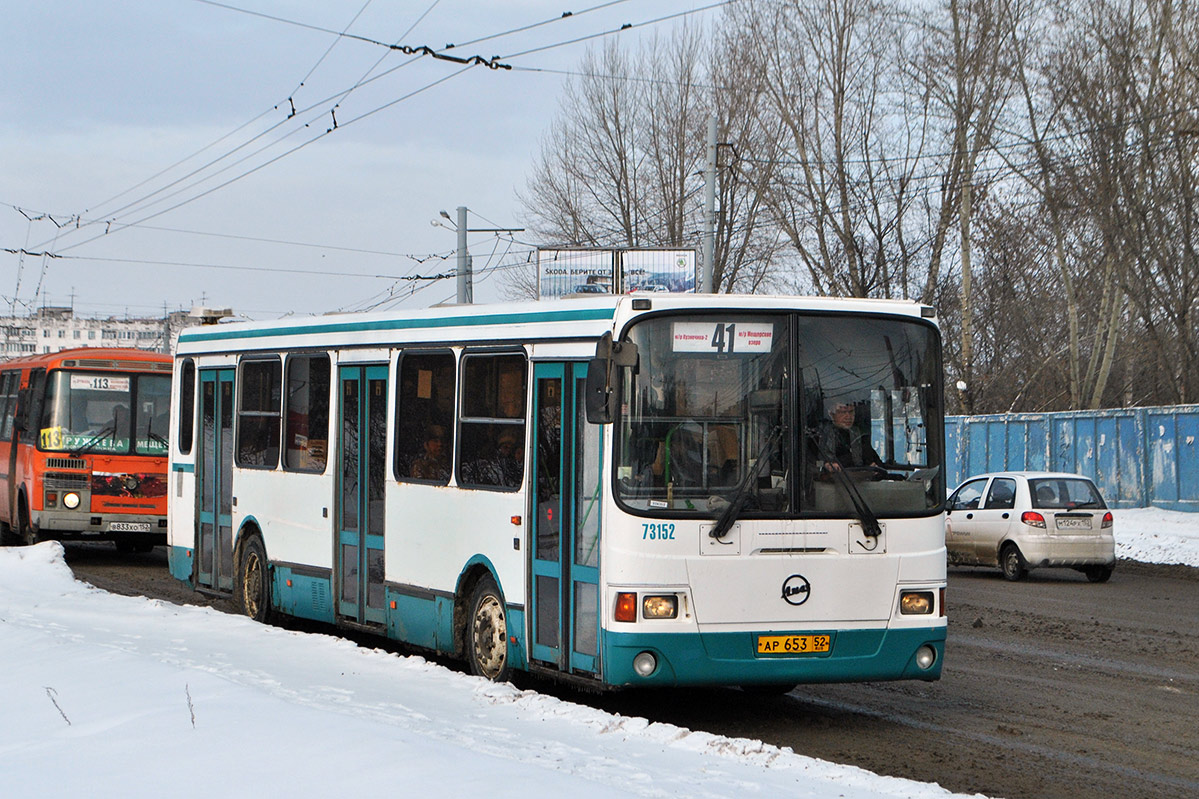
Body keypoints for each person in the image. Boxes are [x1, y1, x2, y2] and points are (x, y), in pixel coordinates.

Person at [814, 401, 883, 475]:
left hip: (857, 483)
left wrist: (873, 467)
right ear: (831, 414)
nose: (848, 417)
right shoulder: (819, 436)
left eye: (851, 412)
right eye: (842, 412)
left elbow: (877, 465)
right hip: (829, 484)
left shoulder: (860, 437)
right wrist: (826, 465)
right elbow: (813, 463)